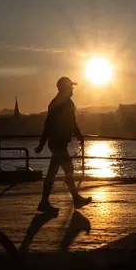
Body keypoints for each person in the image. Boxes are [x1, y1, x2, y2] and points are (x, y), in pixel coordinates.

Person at [34, 76, 92, 213]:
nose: (72, 89)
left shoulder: (65, 103)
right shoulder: (59, 103)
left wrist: (78, 135)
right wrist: (41, 144)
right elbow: (48, 125)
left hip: (58, 143)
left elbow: (71, 123)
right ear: (64, 88)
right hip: (57, 143)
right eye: (70, 87)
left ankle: (45, 202)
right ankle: (75, 199)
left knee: (55, 172)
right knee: (67, 170)